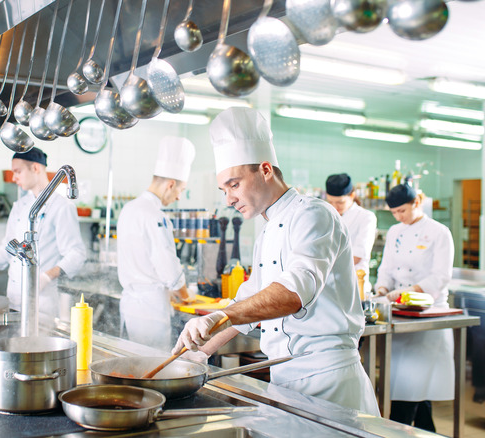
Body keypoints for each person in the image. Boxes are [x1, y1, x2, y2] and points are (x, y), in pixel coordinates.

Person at [172, 107, 379, 416]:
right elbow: (250, 303)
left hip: (329, 384)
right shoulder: (268, 228)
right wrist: (197, 352)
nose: (228, 199)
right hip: (286, 381)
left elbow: (292, 294)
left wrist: (218, 317)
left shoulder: (314, 215)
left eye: (234, 184)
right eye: (223, 189)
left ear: (265, 170)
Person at [0, 147, 87, 323]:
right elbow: (8, 249)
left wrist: (46, 276)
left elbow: (76, 254)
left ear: (35, 168)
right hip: (13, 301)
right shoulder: (20, 206)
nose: (13, 178)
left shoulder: (61, 206)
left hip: (41, 304)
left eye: (18, 171)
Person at [374, 183, 454, 432]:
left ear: (417, 202)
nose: (399, 217)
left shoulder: (439, 232)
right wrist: (382, 289)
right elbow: (386, 269)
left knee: (412, 389)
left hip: (427, 316)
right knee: (409, 388)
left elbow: (441, 276)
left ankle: (400, 431)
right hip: (399, 317)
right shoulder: (395, 231)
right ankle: (425, 431)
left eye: (402, 211)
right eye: (394, 213)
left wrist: (409, 292)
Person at [117, 136, 196, 351]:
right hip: (150, 311)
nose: (179, 197)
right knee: (153, 370)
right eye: (180, 190)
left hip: (131, 306)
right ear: (171, 185)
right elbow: (167, 264)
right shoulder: (156, 216)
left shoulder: (129, 209)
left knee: (133, 367)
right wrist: (186, 296)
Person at [325, 173, 377, 295]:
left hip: (354, 285)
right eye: (331, 202)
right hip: (327, 285)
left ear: (352, 195)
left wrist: (323, 265)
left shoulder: (366, 217)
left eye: (340, 202)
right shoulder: (326, 215)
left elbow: (358, 255)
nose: (334, 206)